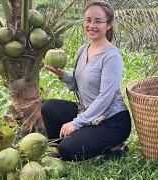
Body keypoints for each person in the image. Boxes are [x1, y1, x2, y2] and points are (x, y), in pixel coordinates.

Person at [41, 1, 131, 162]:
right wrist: (62, 75)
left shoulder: (111, 56)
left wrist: (76, 123)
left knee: (68, 149)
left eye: (98, 21)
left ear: (108, 24)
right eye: (88, 20)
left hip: (112, 122)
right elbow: (77, 83)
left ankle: (116, 149)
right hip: (87, 112)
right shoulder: (83, 50)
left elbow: (105, 97)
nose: (92, 25)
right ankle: (67, 144)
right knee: (48, 107)